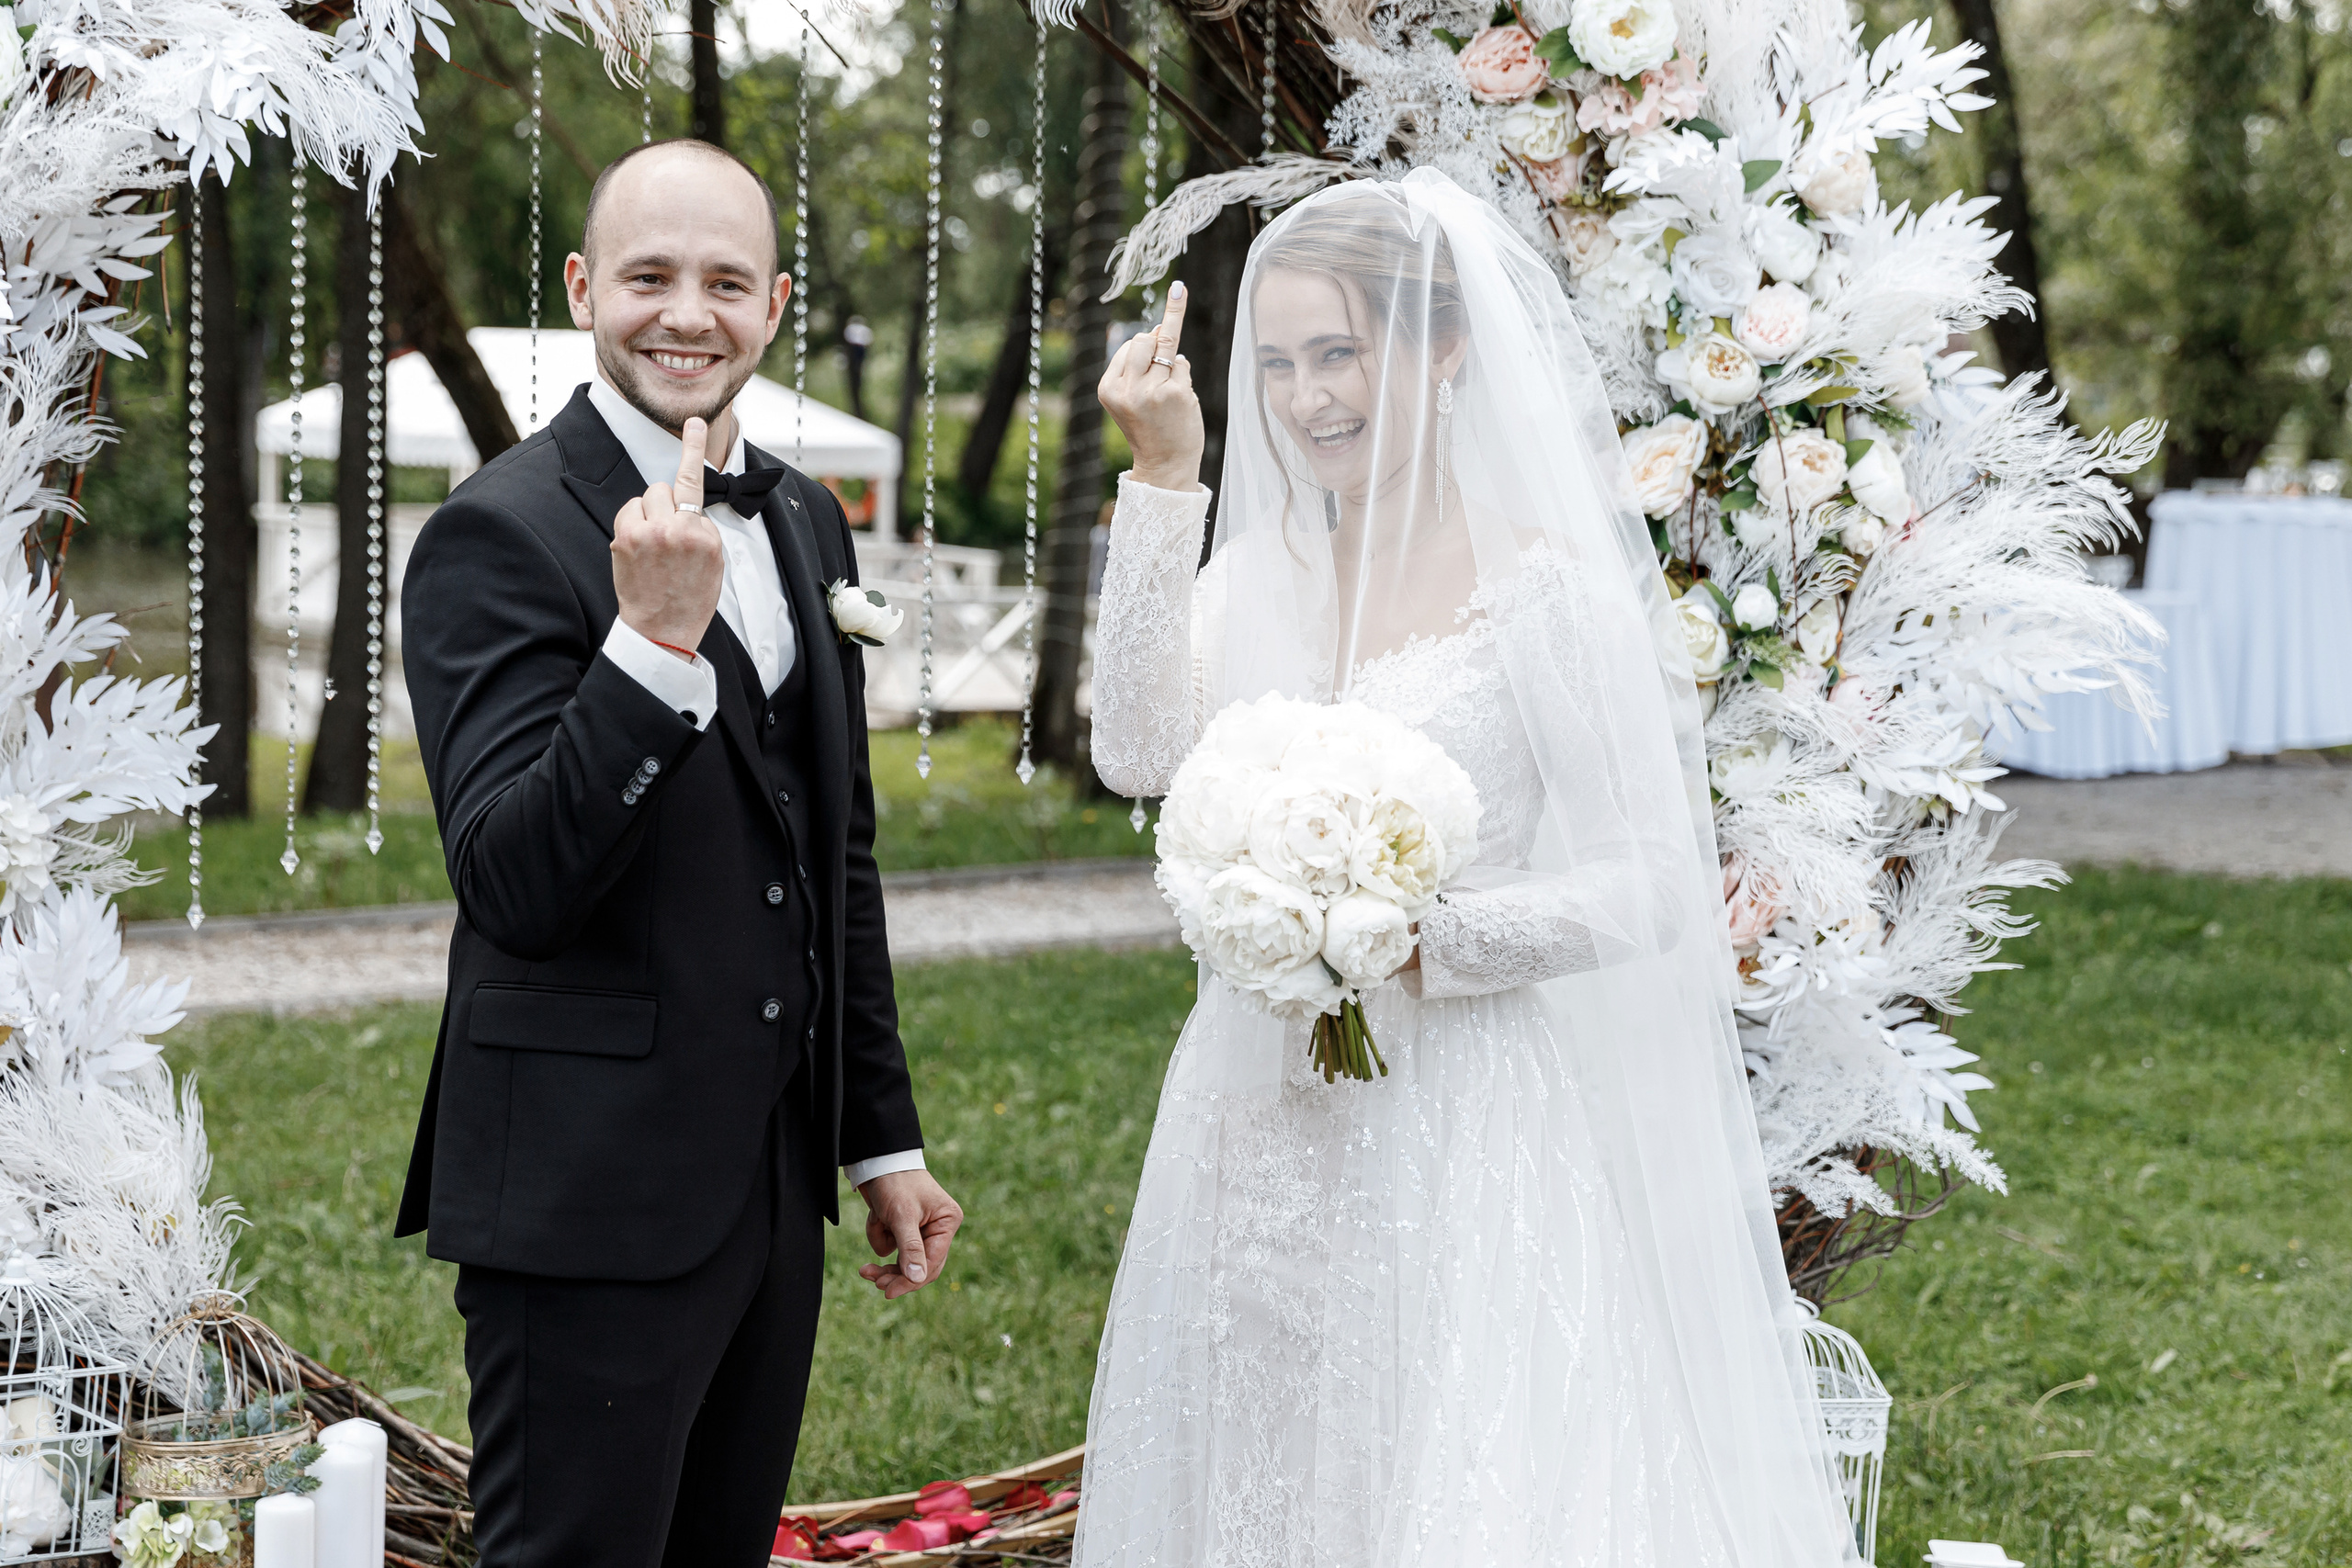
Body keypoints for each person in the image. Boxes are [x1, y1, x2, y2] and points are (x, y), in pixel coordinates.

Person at [1078, 170, 1861, 1565]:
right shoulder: (1250, 572)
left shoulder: (1540, 587)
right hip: (1250, 1112)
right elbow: (1138, 755)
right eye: (1278, 364)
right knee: (1257, 1464)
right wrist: (1163, 483)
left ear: (1442, 349)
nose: (1307, 398)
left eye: (1339, 353)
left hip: (1461, 1114)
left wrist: (1434, 938)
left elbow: (1651, 877)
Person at [395, 138, 963, 1568]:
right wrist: (648, 647)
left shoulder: (803, 516)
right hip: (586, 1194)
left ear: (774, 304)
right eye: (649, 276)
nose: (687, 314)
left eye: (725, 281)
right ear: (585, 289)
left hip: (770, 1190)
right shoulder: (497, 530)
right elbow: (513, 881)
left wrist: (877, 1139)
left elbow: (832, 856)